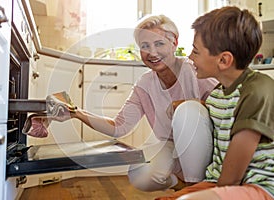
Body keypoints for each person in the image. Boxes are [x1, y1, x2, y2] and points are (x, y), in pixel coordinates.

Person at [69, 14, 218, 192]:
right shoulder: (145, 84)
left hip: (207, 146)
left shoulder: (195, 70)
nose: (152, 53)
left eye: (159, 44)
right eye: (145, 46)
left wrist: (194, 102)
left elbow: (226, 107)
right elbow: (119, 127)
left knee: (188, 109)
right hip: (170, 145)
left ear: (174, 43)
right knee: (139, 173)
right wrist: (76, 113)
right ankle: (181, 186)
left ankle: (196, 191)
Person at [156, 6, 274, 200]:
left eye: (196, 52)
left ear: (224, 60)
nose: (190, 57)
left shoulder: (259, 90)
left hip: (259, 186)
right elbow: (219, 111)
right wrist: (190, 104)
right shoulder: (217, 93)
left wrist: (209, 193)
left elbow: (232, 178)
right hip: (219, 182)